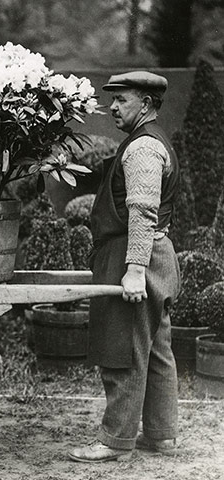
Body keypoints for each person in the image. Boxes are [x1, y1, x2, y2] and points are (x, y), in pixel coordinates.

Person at [68, 71, 182, 462]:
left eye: (123, 100)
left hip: (138, 257)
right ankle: (162, 435)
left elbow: (143, 209)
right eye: (112, 99)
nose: (113, 107)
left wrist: (134, 269)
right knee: (157, 349)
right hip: (156, 254)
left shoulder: (143, 149)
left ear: (146, 104)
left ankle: (115, 441)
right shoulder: (146, 142)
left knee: (126, 350)